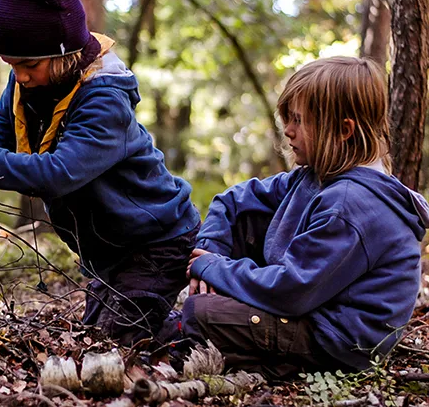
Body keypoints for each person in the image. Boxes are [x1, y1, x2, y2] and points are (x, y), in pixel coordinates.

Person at [0, 0, 201, 345]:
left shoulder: (105, 96)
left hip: (157, 242)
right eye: (10, 64)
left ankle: (206, 330)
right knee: (97, 337)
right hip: (106, 254)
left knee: (120, 344)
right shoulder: (24, 84)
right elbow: (2, 152)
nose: (20, 75)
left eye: (28, 64)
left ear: (63, 50)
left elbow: (57, 174)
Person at [167, 57, 427, 379]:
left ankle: (268, 368)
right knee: (245, 219)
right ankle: (225, 336)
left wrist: (215, 269)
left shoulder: (350, 205)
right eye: (288, 118)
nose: (288, 131)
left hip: (335, 340)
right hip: (305, 304)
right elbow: (232, 201)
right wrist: (210, 254)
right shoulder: (315, 176)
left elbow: (292, 290)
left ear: (344, 130)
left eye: (299, 121)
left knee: (200, 313)